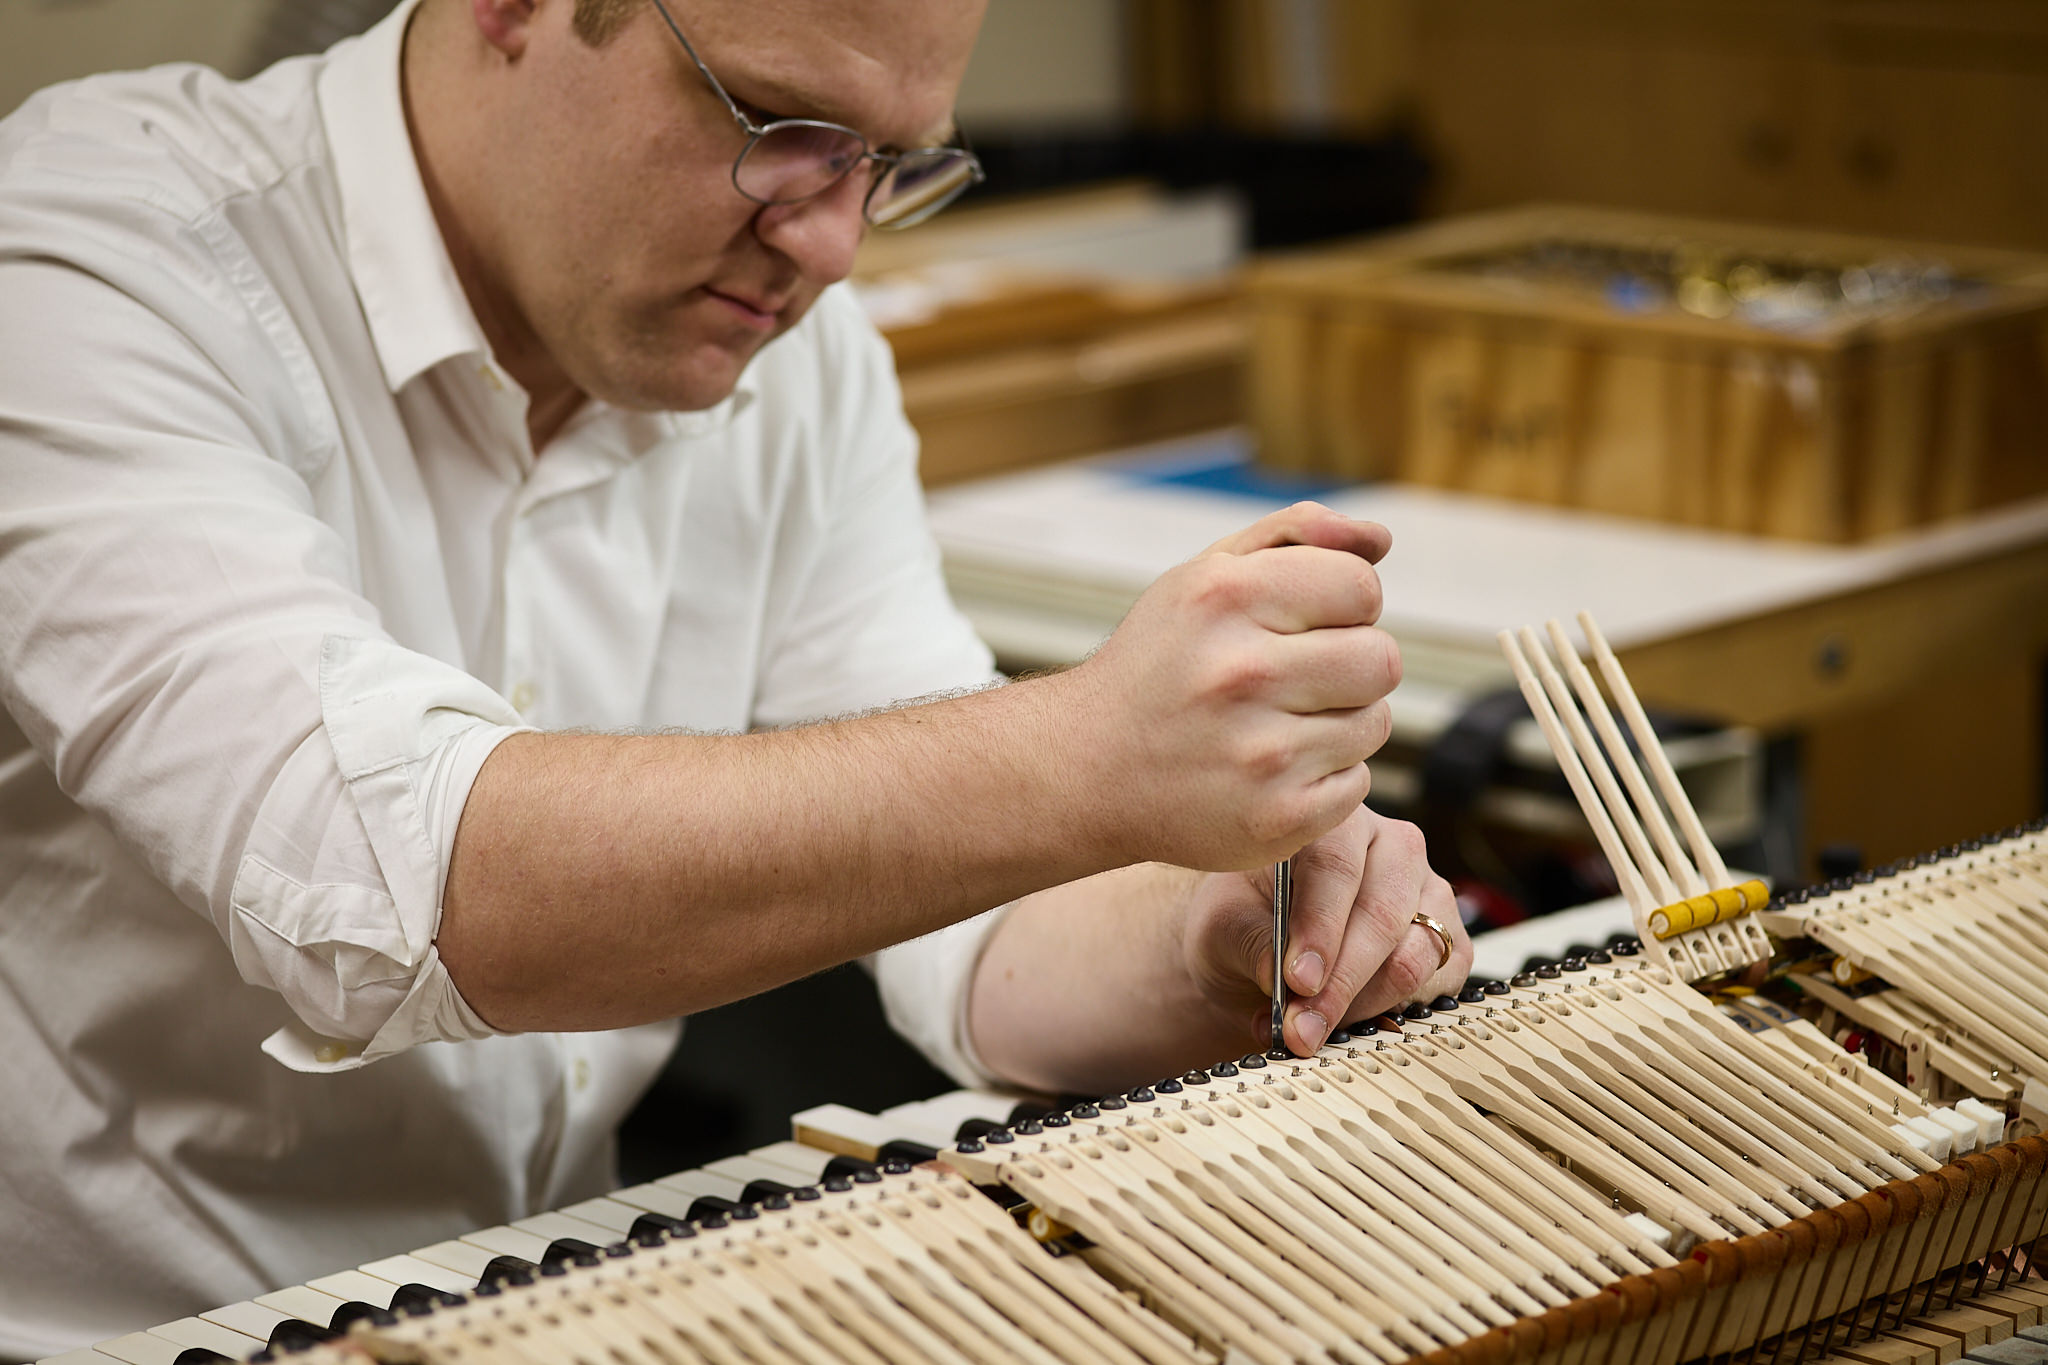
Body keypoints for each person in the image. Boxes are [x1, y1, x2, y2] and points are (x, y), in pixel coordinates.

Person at [0, 0, 1469, 1354]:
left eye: (890, 164)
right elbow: (394, 890)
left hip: (538, 1307)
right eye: (776, 129)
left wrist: (1206, 931)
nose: (834, 246)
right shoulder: (85, 259)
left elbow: (973, 926)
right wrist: (1090, 755)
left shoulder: (789, 363)